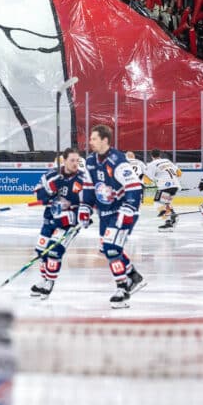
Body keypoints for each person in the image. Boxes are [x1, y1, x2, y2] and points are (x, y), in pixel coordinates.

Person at [79, 125, 147, 308]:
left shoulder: (117, 161)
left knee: (111, 249)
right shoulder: (91, 161)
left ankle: (122, 288)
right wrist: (85, 207)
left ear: (105, 140)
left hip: (121, 212)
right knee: (106, 249)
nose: (90, 142)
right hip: (105, 213)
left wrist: (129, 208)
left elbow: (134, 186)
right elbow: (88, 186)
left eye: (94, 139)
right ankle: (133, 276)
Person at [29, 147, 85, 298]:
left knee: (54, 251)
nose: (75, 164)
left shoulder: (83, 179)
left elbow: (88, 204)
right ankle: (43, 279)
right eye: (72, 160)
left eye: (77, 161)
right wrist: (50, 189)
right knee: (41, 251)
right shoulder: (51, 175)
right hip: (50, 220)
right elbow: (38, 195)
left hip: (68, 223)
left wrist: (79, 216)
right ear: (64, 160)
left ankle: (50, 282)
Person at [144, 149, 182, 231]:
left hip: (165, 186)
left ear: (151, 156)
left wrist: (143, 184)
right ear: (160, 154)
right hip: (175, 185)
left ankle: (169, 219)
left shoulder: (152, 164)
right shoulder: (167, 161)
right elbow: (179, 173)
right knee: (166, 203)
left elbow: (147, 180)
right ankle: (172, 217)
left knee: (158, 203)